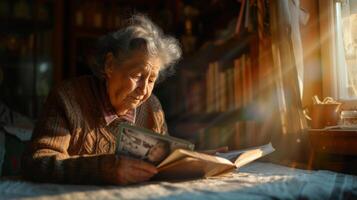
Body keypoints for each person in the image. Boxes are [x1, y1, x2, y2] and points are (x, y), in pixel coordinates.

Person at [21, 14, 182, 185]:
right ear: (110, 65)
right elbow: (37, 162)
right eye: (137, 76)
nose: (144, 90)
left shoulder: (152, 107)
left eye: (151, 80)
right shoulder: (68, 98)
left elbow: (167, 163)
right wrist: (100, 170)